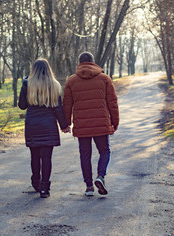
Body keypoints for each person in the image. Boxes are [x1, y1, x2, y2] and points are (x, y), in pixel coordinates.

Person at [63, 52, 119, 196]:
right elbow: (112, 103)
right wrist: (114, 122)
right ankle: (100, 176)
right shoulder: (105, 79)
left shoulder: (71, 81)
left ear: (79, 63)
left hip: (82, 126)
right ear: (93, 62)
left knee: (85, 155)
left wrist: (66, 123)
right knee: (105, 151)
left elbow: (67, 105)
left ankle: (88, 186)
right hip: (101, 123)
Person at [18, 58, 70, 198]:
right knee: (46, 157)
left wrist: (24, 87)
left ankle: (36, 182)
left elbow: (22, 105)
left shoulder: (27, 84)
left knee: (34, 156)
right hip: (48, 125)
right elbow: (58, 108)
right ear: (48, 69)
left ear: (33, 70)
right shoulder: (54, 85)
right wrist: (64, 125)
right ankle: (44, 189)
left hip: (32, 124)